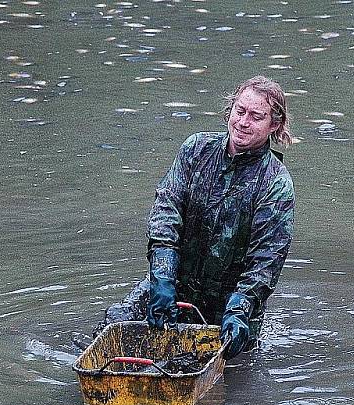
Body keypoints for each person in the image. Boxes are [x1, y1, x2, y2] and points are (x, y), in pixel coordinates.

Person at [95, 75, 295, 360]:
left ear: (273, 125)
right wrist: (162, 277)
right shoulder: (196, 150)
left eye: (256, 116)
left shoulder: (276, 183)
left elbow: (266, 259)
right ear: (231, 109)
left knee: (224, 370)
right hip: (174, 283)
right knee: (114, 323)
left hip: (231, 306)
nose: (243, 122)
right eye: (239, 111)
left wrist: (240, 307)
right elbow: (166, 211)